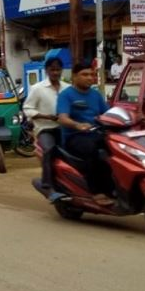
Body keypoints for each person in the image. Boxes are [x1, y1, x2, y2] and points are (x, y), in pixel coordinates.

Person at [57, 58, 112, 204]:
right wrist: (77, 125)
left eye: (92, 74)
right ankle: (96, 191)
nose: (90, 78)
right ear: (74, 76)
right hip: (75, 137)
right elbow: (62, 118)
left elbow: (108, 114)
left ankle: (115, 187)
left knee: (117, 148)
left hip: (96, 134)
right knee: (93, 150)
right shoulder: (66, 95)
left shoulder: (95, 95)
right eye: (85, 74)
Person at [23, 56, 64, 192]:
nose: (55, 73)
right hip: (45, 129)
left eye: (58, 70)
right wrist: (46, 116)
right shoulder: (37, 88)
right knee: (49, 149)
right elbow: (27, 108)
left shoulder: (67, 88)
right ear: (47, 70)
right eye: (52, 70)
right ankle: (47, 184)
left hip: (65, 129)